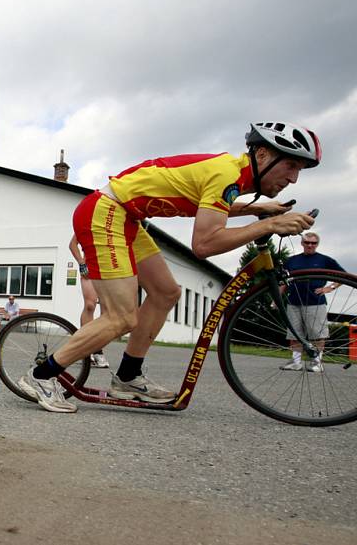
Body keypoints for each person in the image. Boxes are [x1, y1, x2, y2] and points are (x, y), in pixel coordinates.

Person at [17, 121, 320, 413]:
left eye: (300, 171)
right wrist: (270, 223)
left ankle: (127, 377)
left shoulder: (233, 176)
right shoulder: (226, 173)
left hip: (125, 217)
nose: (293, 178)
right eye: (291, 166)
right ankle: (41, 376)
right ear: (263, 155)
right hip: (106, 212)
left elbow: (210, 207)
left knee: (166, 292)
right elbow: (204, 245)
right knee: (121, 317)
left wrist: (256, 209)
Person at [280, 231, 345, 373]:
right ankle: (296, 362)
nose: (310, 245)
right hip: (294, 302)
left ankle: (316, 362)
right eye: (307, 242)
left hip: (316, 302)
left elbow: (343, 275)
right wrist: (276, 298)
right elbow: (283, 282)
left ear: (317, 244)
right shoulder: (291, 260)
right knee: (294, 333)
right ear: (302, 243)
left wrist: (330, 287)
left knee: (317, 334)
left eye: (313, 243)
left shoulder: (325, 260)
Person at [69, 235, 108, 368]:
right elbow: (72, 244)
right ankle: (86, 349)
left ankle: (98, 351)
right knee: (90, 305)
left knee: (106, 310)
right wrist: (81, 262)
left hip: (108, 267)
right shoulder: (88, 220)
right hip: (89, 266)